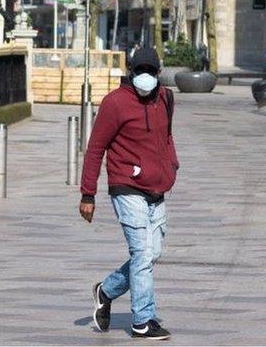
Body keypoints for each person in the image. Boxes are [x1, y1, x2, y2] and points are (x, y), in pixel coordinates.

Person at [79, 47, 177, 340]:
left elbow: (166, 137)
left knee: (151, 254)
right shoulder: (115, 103)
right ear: (130, 72)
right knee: (141, 254)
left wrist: (171, 166)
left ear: (158, 74)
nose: (144, 77)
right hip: (126, 187)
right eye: (139, 71)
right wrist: (88, 194)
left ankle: (106, 290)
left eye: (150, 71)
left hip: (157, 188)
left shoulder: (166, 99)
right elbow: (96, 148)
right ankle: (143, 320)